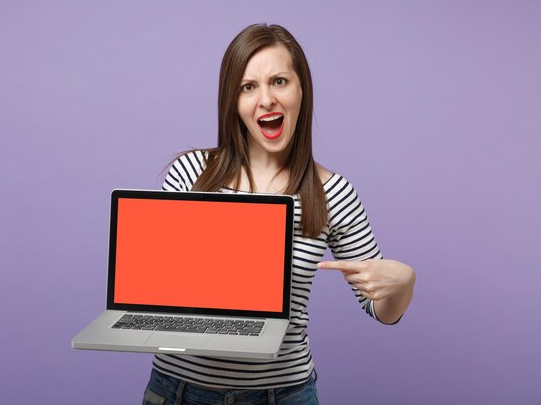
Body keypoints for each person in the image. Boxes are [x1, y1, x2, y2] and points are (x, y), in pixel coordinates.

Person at [142, 23, 416, 405]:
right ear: (232, 102)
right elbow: (155, 285)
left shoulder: (333, 193)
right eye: (248, 86)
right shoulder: (191, 173)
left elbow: (380, 310)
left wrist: (403, 284)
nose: (266, 99)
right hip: (179, 390)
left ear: (301, 89)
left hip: (283, 394)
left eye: (280, 81)